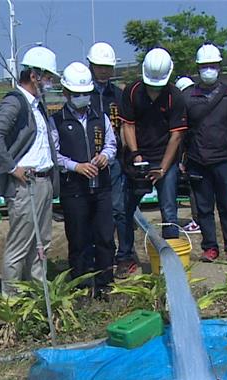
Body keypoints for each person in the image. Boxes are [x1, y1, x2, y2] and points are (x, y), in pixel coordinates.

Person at [0, 46, 61, 295]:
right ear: (34, 75)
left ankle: (37, 291)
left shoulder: (37, 105)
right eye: (47, 77)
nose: (49, 82)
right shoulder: (15, 103)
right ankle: (12, 299)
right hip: (25, 184)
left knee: (41, 243)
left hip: (43, 181)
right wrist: (11, 167)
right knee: (20, 243)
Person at [115, 47, 188, 277]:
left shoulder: (175, 96)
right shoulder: (133, 91)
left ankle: (170, 259)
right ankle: (125, 256)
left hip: (165, 159)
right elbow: (128, 125)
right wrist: (136, 155)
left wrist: (163, 168)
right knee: (126, 209)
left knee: (169, 210)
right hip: (138, 157)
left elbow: (176, 135)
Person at [51, 62, 117, 297]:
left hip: (101, 187)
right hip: (74, 189)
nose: (81, 98)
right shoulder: (57, 121)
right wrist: (75, 166)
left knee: (104, 235)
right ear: (67, 93)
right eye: (76, 94)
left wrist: (105, 157)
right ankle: (80, 283)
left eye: (85, 93)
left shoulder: (101, 117)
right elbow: (54, 154)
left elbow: (111, 144)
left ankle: (105, 281)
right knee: (78, 238)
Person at [184, 44, 227, 263]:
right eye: (204, 66)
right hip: (197, 160)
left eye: (212, 65)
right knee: (203, 208)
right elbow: (181, 130)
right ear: (198, 68)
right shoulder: (188, 96)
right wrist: (182, 157)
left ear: (219, 67)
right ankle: (210, 247)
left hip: (224, 160)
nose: (208, 70)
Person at [87, 42, 129, 255]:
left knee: (118, 208)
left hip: (114, 160)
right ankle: (97, 252)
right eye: (99, 66)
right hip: (88, 161)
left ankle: (123, 254)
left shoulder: (119, 95)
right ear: (91, 65)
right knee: (93, 210)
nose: (103, 70)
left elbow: (126, 126)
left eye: (107, 66)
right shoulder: (85, 94)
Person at [175, 75, 201, 234]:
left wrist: (180, 159)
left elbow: (181, 135)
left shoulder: (183, 102)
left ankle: (197, 221)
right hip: (208, 151)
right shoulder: (201, 98)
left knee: (195, 188)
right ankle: (203, 220)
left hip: (192, 153)